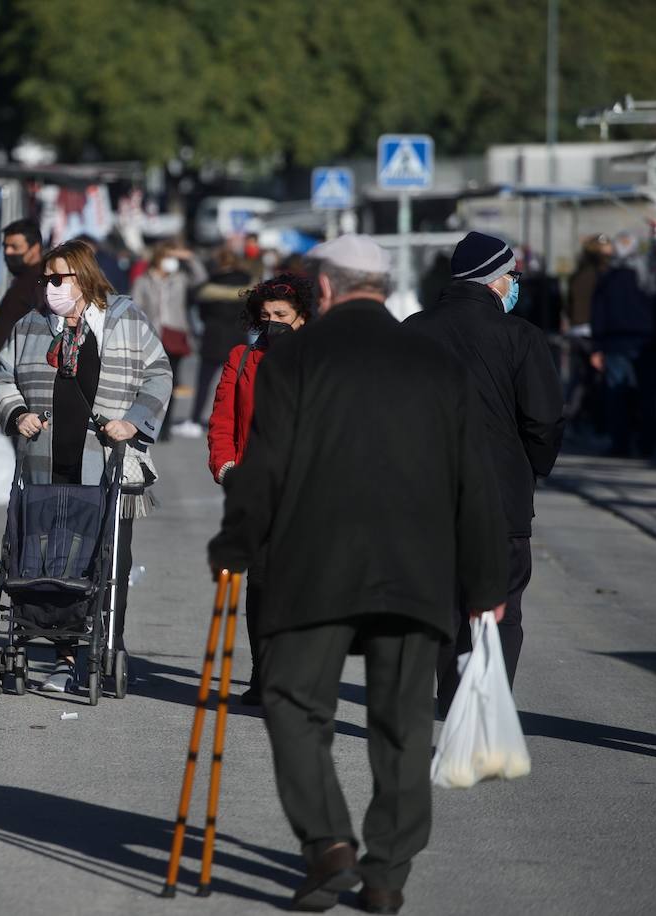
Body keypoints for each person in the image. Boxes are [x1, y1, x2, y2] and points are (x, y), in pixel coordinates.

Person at [209, 235, 507, 915]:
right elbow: (476, 482)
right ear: (383, 282)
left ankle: (328, 845)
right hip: (416, 571)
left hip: (314, 565)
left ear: (329, 288)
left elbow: (265, 464)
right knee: (402, 724)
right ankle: (387, 872)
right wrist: (486, 586)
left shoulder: (294, 356)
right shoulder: (437, 362)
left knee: (291, 700)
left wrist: (236, 542)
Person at [0, 238, 172, 691]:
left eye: (59, 278)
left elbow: (158, 372)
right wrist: (17, 413)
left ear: (84, 276)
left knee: (109, 561)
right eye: (46, 278)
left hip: (108, 465)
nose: (50, 286)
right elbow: (2, 376)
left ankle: (108, 644)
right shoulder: (32, 325)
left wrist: (132, 422)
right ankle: (64, 654)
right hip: (46, 465)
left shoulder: (124, 317)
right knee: (52, 561)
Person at [404, 231, 564, 712]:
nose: (516, 284)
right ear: (496, 280)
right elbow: (544, 419)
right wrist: (531, 467)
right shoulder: (520, 336)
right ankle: (485, 711)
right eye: (513, 275)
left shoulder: (413, 329)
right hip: (500, 499)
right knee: (500, 608)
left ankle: (454, 706)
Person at [205, 273, 314, 705]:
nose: (273, 323)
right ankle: (264, 674)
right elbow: (222, 420)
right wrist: (227, 467)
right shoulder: (243, 356)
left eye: (282, 316)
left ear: (302, 318)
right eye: (266, 316)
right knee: (264, 584)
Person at [131, 242, 208, 439]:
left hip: (175, 334)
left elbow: (202, 278)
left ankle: (164, 427)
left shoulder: (180, 278)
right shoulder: (143, 280)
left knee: (171, 382)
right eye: (167, 256)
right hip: (150, 336)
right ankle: (144, 421)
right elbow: (136, 308)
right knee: (147, 382)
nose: (170, 260)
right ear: (157, 258)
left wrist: (188, 257)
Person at [591, 230, 656, 457]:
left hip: (616, 342)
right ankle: (646, 443)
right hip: (646, 342)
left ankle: (620, 443)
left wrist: (597, 346)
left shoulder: (609, 277)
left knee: (617, 395)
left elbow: (599, 313)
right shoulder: (647, 276)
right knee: (647, 394)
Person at [173, 248, 251, 436]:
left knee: (204, 382)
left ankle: (195, 420)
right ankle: (239, 422)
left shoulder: (210, 287)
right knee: (238, 384)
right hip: (239, 338)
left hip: (214, 338)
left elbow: (201, 313)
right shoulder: (249, 284)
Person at [564, 235, 612, 433]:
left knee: (580, 380)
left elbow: (568, 305)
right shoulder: (601, 274)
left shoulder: (578, 273)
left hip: (577, 330)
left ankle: (572, 421)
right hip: (592, 332)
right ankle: (594, 424)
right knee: (595, 380)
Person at [0, 219, 45, 360]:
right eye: (5, 246)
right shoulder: (21, 281)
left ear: (35, 248)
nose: (8, 252)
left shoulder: (41, 281)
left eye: (15, 247)